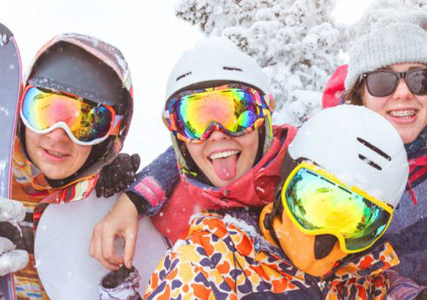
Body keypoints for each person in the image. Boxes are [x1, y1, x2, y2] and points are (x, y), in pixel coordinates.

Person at [0, 33, 138, 299]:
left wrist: (142, 194)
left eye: (86, 123)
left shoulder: (119, 209)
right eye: (44, 111)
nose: (57, 135)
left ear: (110, 134)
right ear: (21, 107)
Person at [144, 105, 409, 299]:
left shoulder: (361, 276)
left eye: (355, 221)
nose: (326, 237)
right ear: (285, 184)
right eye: (316, 203)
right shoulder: (210, 264)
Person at [89, 37, 296, 271]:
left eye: (237, 113)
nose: (216, 134)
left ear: (266, 114)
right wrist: (127, 199)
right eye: (194, 121)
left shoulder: (306, 172)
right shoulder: (171, 214)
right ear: (177, 134)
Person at [339, 19, 427, 298]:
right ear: (359, 95)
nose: (403, 93)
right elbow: (341, 268)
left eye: (419, 79)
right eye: (381, 81)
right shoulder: (337, 171)